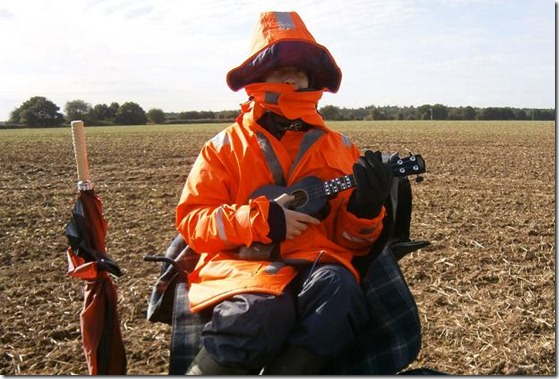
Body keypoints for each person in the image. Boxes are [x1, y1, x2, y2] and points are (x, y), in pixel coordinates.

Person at [175, 11, 393, 375]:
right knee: (261, 309)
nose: (293, 77)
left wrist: (366, 210)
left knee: (341, 292)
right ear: (259, 76)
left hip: (316, 265)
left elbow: (352, 243)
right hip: (242, 266)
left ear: (313, 79)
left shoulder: (340, 148)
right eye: (280, 68)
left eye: (301, 70)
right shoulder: (222, 147)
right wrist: (260, 220)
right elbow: (193, 222)